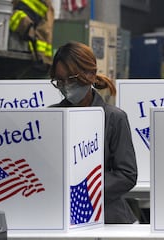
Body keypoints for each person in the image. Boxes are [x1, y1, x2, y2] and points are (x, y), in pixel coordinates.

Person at [49, 41, 138, 224]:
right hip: (59, 213)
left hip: (107, 215)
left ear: (90, 74)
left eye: (71, 79)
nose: (65, 86)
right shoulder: (51, 117)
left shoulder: (113, 118)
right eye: (59, 81)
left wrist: (84, 191)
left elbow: (127, 174)